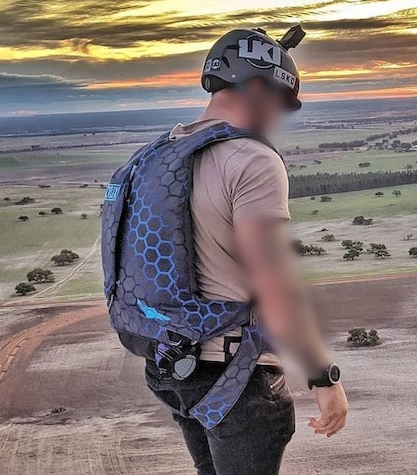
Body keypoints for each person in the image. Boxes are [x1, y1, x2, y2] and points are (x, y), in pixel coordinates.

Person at [100, 26, 348, 475]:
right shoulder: (251, 159)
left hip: (172, 366)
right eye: (278, 101)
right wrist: (322, 376)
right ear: (255, 86)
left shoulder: (156, 156)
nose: (278, 117)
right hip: (237, 377)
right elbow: (274, 285)